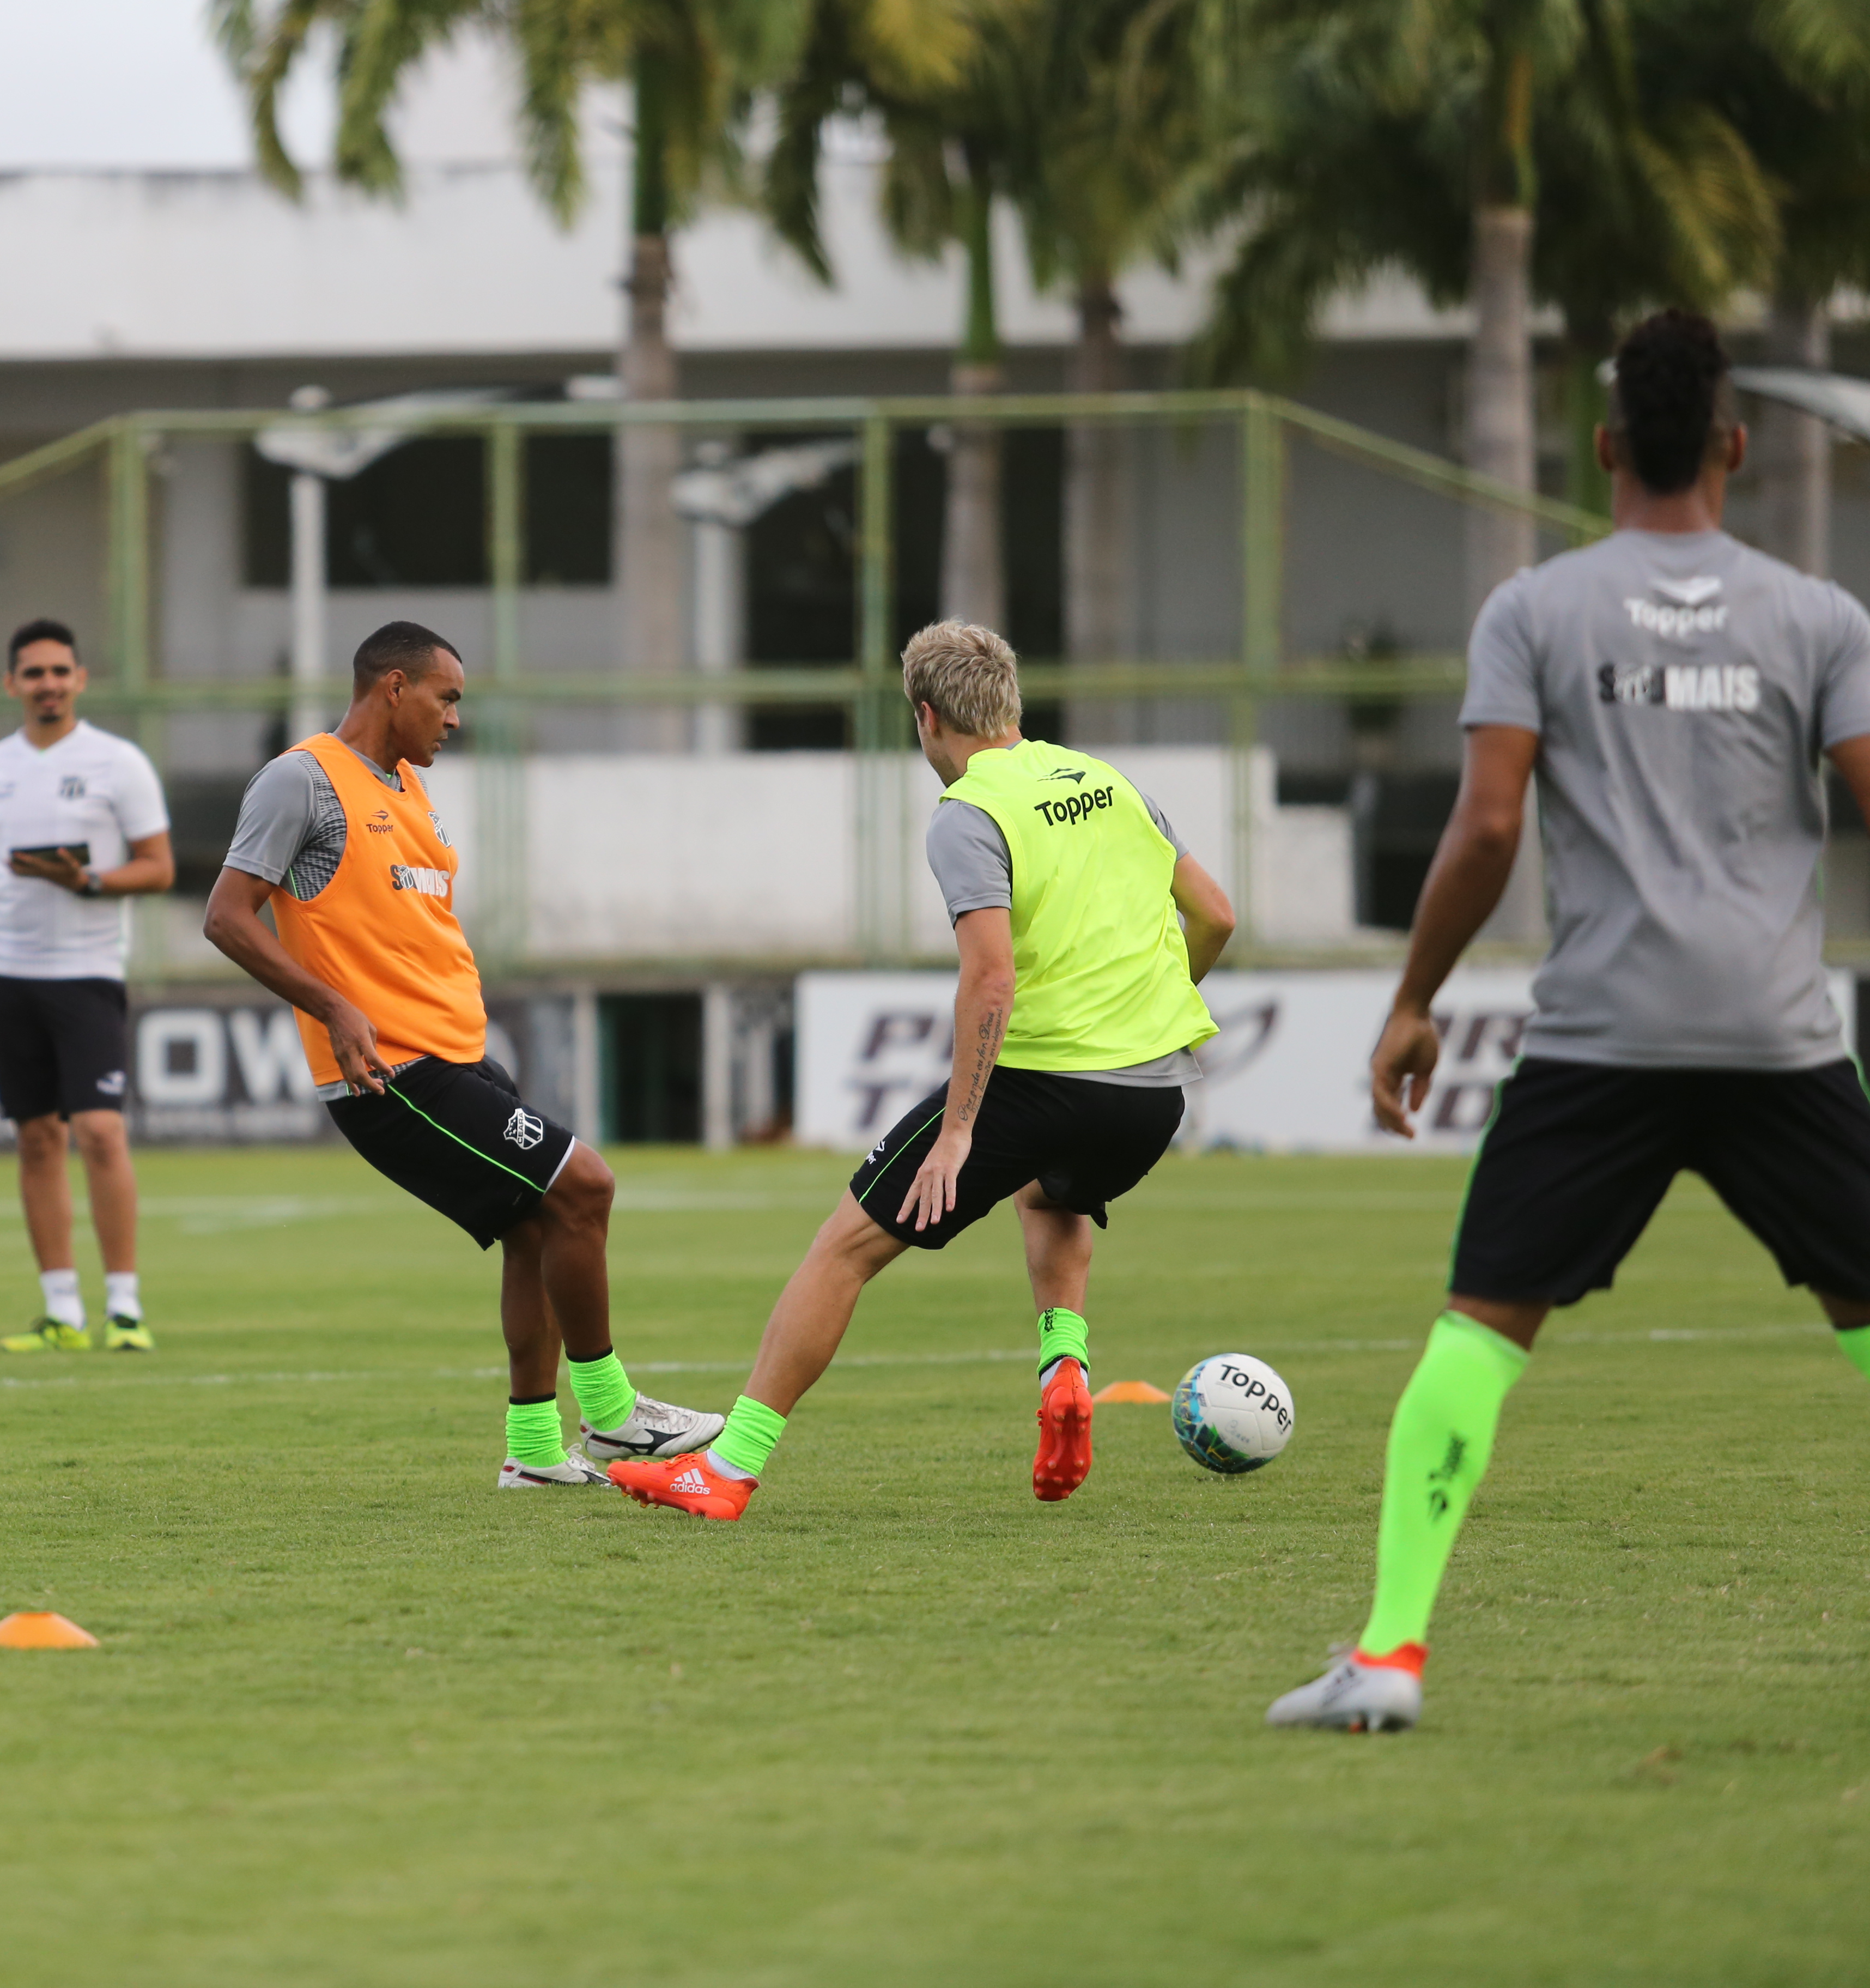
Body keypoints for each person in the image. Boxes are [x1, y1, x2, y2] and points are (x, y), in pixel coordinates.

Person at [1268, 309, 1870, 1733]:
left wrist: (1414, 1001)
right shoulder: (1820, 617)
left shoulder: (1535, 609)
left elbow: (1485, 830)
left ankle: (1392, 1661)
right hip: (1778, 1040)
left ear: (1603, 449)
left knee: (1479, 1330)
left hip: (1600, 1039)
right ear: (1732, 446)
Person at [611, 619, 1234, 1521]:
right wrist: (1151, 1008)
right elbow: (1214, 914)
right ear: (1010, 700)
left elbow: (989, 978)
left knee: (844, 1248)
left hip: (1037, 1081)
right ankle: (1064, 1362)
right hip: (1151, 1095)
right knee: (1051, 1191)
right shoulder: (1110, 782)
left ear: (927, 716)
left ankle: (729, 1467)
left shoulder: (970, 812)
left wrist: (957, 1131)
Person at [204, 619, 724, 1487]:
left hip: (456, 1054)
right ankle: (613, 1414)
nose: (455, 718)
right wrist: (334, 1006)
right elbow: (225, 916)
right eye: (446, 699)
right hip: (392, 1074)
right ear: (394, 688)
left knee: (535, 1228)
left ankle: (531, 1453)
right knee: (585, 1184)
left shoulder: (406, 787)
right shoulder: (302, 781)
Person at [0, 619, 177, 1353]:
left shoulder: (119, 763)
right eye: (33, 673)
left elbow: (161, 867)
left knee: (103, 1134)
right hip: (9, 980)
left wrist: (91, 880)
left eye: (59, 671)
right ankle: (61, 1313)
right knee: (37, 1141)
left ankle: (126, 1308)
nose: (47, 684)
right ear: (11, 683)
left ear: (80, 679)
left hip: (88, 977)